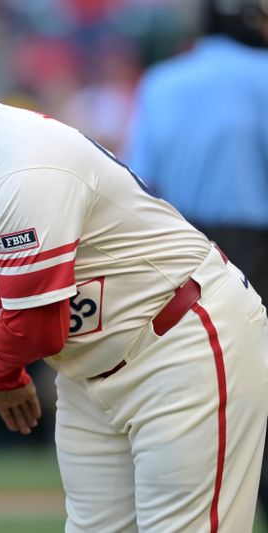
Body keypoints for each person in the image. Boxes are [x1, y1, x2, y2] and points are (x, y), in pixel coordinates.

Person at [0, 47, 268, 531]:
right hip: (90, 371)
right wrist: (2, 376)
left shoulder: (21, 170)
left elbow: (40, 334)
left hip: (179, 342)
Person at [126, 0, 268, 518]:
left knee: (190, 389)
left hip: (179, 247)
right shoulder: (263, 74)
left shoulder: (162, 81)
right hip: (256, 244)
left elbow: (141, 183)